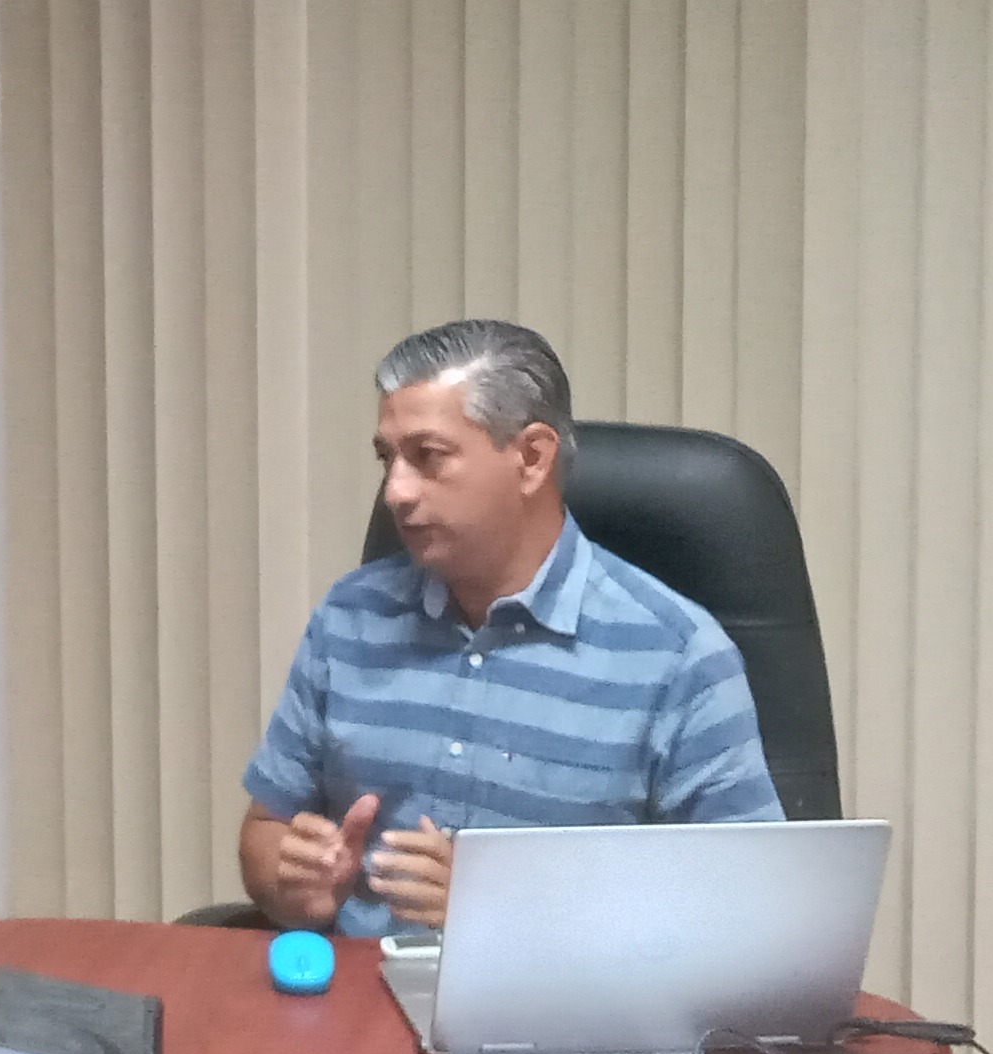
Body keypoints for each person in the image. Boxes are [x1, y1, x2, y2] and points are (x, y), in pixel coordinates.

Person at [239, 318, 780, 939]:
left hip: (566, 1000)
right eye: (388, 459)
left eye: (427, 457)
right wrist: (295, 884)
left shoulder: (679, 655)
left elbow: (747, 912)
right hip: (357, 991)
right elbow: (265, 831)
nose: (396, 492)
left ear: (531, 458)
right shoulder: (351, 616)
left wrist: (504, 914)